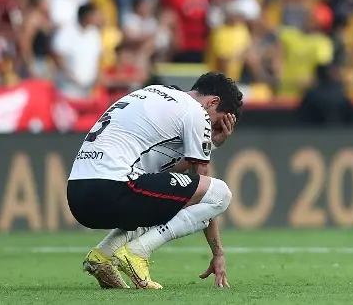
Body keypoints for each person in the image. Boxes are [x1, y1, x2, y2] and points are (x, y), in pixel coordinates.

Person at [66, 72, 243, 289]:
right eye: (216, 124)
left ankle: (103, 256)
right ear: (213, 102)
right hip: (113, 187)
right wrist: (218, 253)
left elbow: (157, 175)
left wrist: (211, 144)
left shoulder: (152, 95)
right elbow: (203, 189)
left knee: (162, 198)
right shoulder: (195, 111)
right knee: (221, 194)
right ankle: (137, 253)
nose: (212, 130)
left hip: (78, 194)